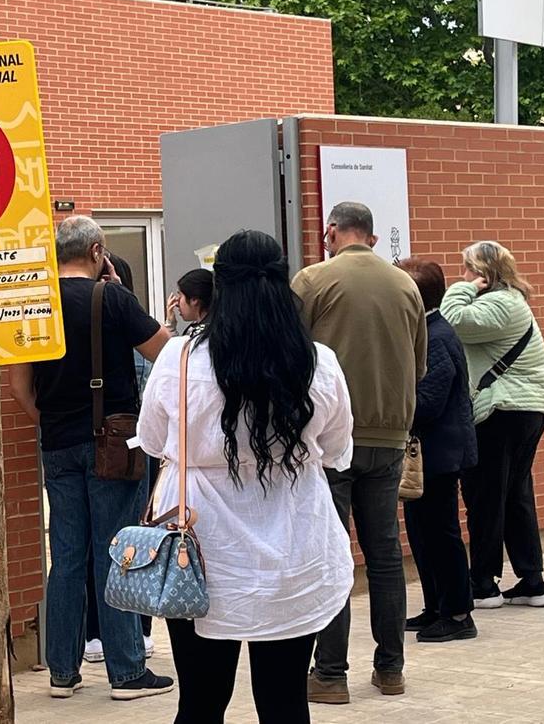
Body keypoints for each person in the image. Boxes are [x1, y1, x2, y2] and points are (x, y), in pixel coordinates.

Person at [138, 230, 354, 724]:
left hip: (198, 554)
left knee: (200, 702)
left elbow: (152, 441)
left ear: (220, 288)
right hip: (295, 553)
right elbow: (338, 451)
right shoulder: (319, 363)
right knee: (284, 704)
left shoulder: (180, 357)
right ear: (283, 282)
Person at [8, 216, 173, 700]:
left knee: (66, 556)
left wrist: (49, 419)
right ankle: (126, 672)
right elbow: (165, 354)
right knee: (116, 552)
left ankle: (62, 670)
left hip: (57, 443)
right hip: (113, 442)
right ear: (98, 251)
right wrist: (124, 296)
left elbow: (18, 384)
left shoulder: (33, 303)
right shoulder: (113, 299)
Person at [291, 202, 426, 704]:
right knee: (386, 554)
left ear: (331, 231)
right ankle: (391, 670)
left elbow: (292, 356)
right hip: (390, 434)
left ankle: (330, 674)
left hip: (329, 439)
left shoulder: (312, 280)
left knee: (334, 557)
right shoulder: (405, 284)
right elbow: (419, 364)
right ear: (370, 236)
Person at [440, 240, 544, 610]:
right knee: (515, 494)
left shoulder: (499, 303)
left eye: (467, 269)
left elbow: (452, 320)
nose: (462, 275)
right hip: (525, 408)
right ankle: (531, 580)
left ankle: (484, 583)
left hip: (502, 409)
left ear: (484, 273)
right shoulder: (512, 301)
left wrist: (463, 289)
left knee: (485, 496)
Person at [397, 259, 478, 642]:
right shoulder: (424, 330)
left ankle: (459, 614)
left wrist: (392, 408)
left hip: (440, 453)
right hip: (428, 452)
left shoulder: (437, 336)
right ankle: (436, 606)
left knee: (441, 533)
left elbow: (429, 401)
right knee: (421, 532)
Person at [83, 250, 156, 664]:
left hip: (79, 440)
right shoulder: (130, 331)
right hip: (131, 445)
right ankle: (134, 635)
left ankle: (90, 637)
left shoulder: (72, 318)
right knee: (133, 540)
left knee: (87, 544)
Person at [164, 267, 213, 338]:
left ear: (194, 299)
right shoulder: (201, 327)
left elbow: (181, 348)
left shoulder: (203, 334)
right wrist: (171, 326)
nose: (177, 304)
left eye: (180, 295)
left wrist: (170, 327)